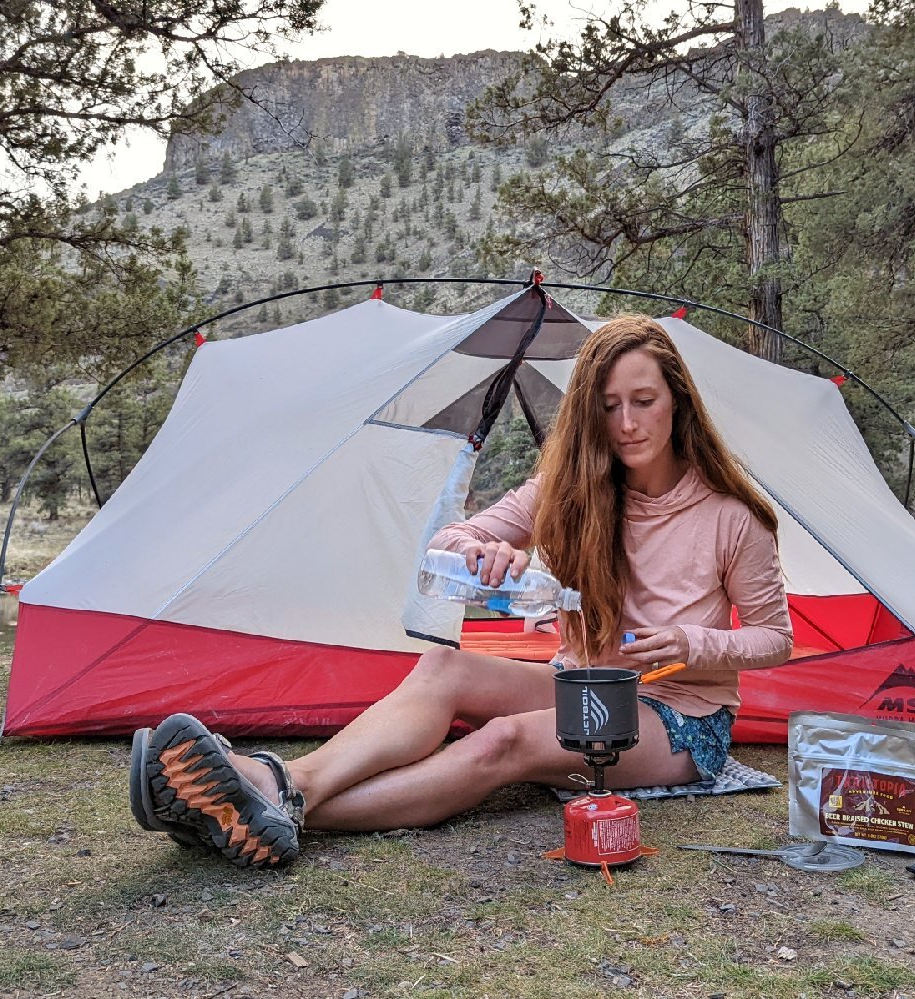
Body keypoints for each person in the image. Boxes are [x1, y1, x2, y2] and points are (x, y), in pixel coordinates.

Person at [128, 314, 794, 867]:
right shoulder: (572, 488)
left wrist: (687, 640)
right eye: (608, 405)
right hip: (583, 686)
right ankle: (277, 792)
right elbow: (451, 542)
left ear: (677, 399)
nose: (625, 423)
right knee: (443, 665)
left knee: (500, 742)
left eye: (643, 401)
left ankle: (264, 796)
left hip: (679, 720)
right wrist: (479, 550)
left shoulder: (733, 515)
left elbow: (774, 639)